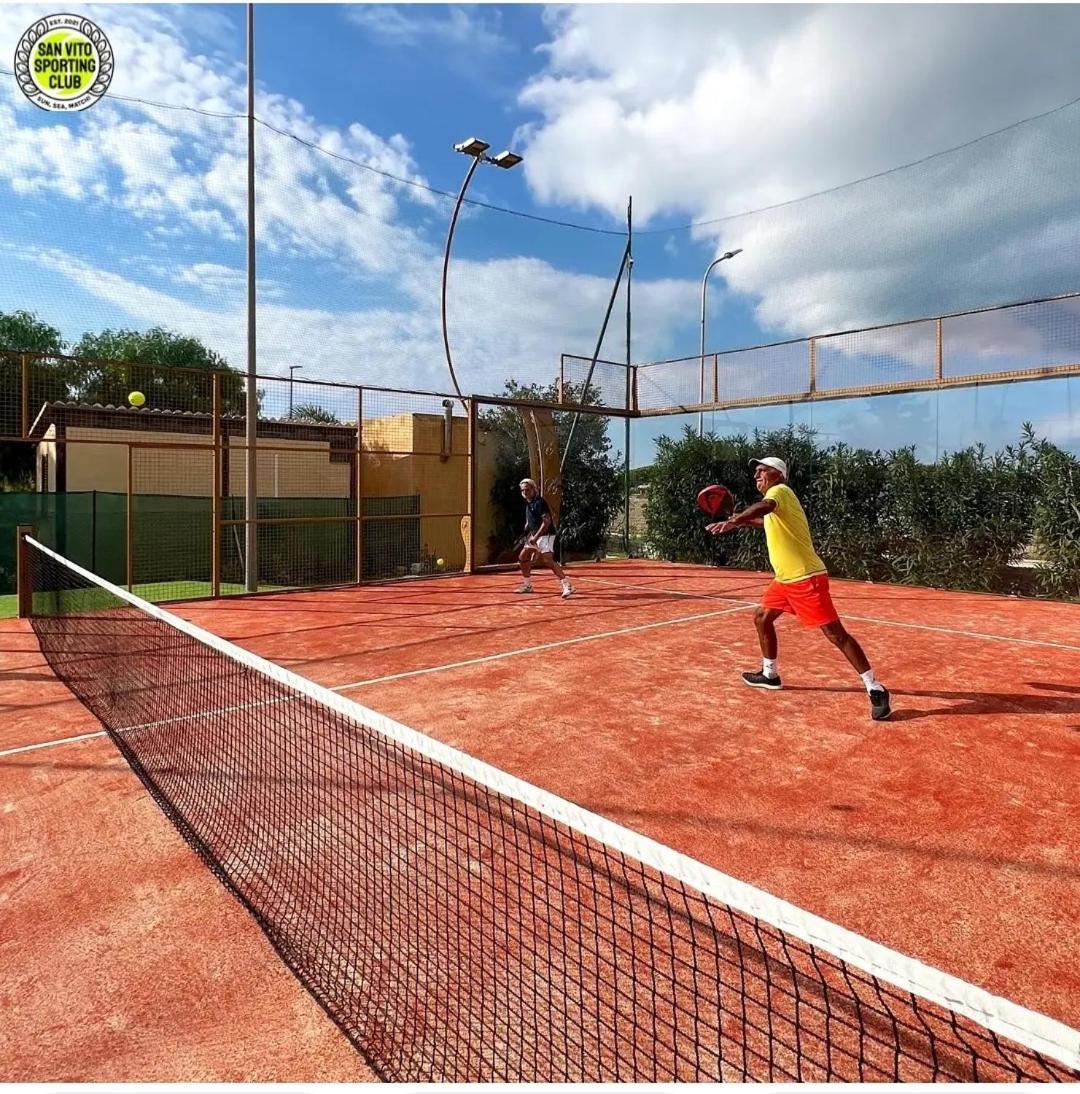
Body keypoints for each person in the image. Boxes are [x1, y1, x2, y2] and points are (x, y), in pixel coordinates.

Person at [707, 456, 891, 721]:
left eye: (762, 471)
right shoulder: (776, 506)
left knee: (835, 634)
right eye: (756, 472)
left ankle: (875, 688)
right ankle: (770, 675)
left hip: (806, 578)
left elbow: (763, 507)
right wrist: (741, 521)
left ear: (778, 474)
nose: (756, 475)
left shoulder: (778, 492)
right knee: (761, 617)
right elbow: (765, 520)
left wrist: (737, 520)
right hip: (785, 580)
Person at [515, 478, 573, 599]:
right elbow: (530, 521)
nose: (525, 492)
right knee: (523, 557)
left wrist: (535, 538)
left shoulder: (539, 502)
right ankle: (527, 585)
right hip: (533, 535)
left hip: (546, 535)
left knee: (548, 560)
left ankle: (567, 585)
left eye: (528, 490)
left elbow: (546, 522)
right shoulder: (529, 504)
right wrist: (527, 531)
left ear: (534, 489)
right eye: (523, 490)